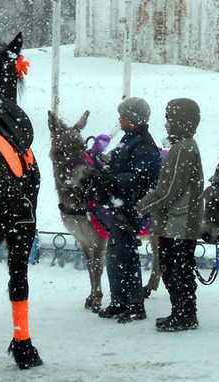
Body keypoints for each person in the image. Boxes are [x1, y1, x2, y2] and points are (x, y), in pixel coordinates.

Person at [86, 97, 161, 323]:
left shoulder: (143, 145)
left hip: (132, 207)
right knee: (117, 254)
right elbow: (115, 163)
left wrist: (113, 180)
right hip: (121, 205)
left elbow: (143, 178)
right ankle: (119, 301)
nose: (120, 118)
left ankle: (135, 304)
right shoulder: (129, 140)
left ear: (134, 119)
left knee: (125, 255)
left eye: (124, 115)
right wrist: (99, 172)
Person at [136, 98, 204, 332]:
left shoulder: (184, 149)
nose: (166, 125)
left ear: (182, 122)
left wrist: (142, 206)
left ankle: (185, 315)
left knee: (178, 270)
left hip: (180, 224)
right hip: (175, 223)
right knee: (173, 268)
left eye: (170, 120)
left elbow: (171, 189)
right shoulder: (183, 146)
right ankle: (181, 312)